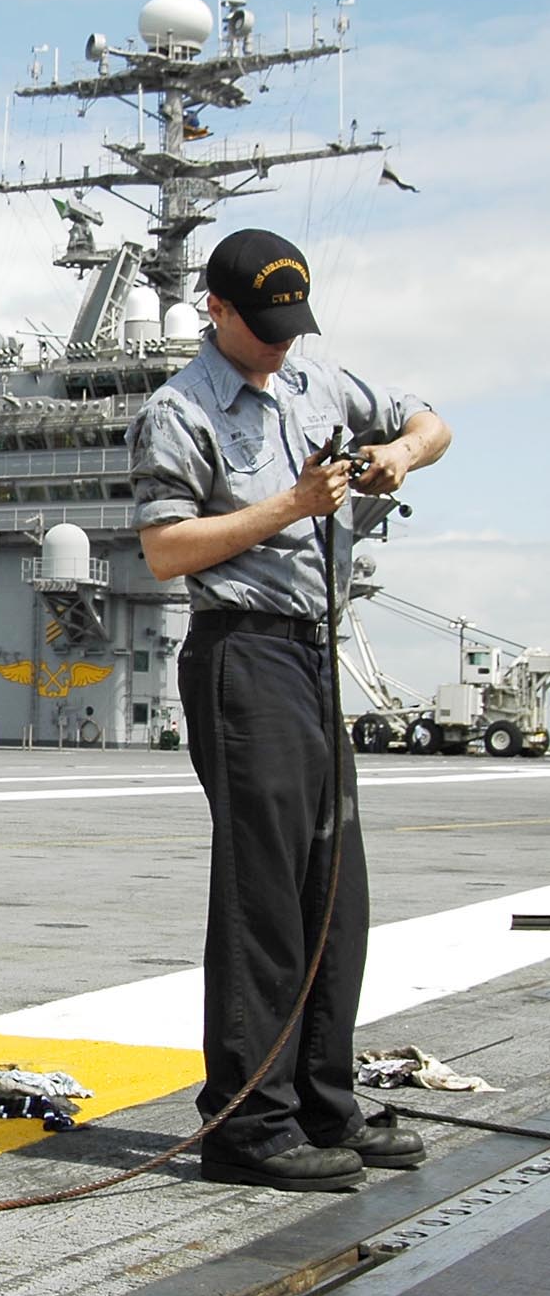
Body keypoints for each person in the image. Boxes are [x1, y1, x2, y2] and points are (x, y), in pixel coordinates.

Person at [128, 229, 451, 1193]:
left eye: (289, 328)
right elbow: (166, 551)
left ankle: (323, 1101)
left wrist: (399, 453)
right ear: (215, 314)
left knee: (334, 892)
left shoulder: (318, 382)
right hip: (245, 657)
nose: (279, 346)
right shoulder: (176, 411)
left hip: (316, 657)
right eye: (262, 329)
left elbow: (430, 419)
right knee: (264, 893)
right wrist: (292, 504)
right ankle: (248, 1124)